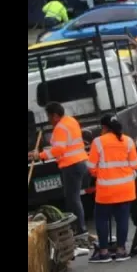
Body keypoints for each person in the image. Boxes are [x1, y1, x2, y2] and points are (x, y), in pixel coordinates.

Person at [86, 114, 137, 263]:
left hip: (105, 190)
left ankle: (103, 252)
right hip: (125, 189)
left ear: (104, 127)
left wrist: (99, 173)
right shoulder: (128, 141)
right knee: (122, 219)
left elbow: (91, 168)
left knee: (101, 218)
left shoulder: (98, 142)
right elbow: (135, 164)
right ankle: (121, 250)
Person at [27, 102, 91, 248]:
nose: (49, 119)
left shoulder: (61, 127)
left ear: (55, 115)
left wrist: (40, 155)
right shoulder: (70, 121)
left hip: (71, 165)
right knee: (73, 199)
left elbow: (59, 150)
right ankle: (78, 229)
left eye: (49, 116)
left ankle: (80, 230)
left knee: (73, 200)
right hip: (79, 162)